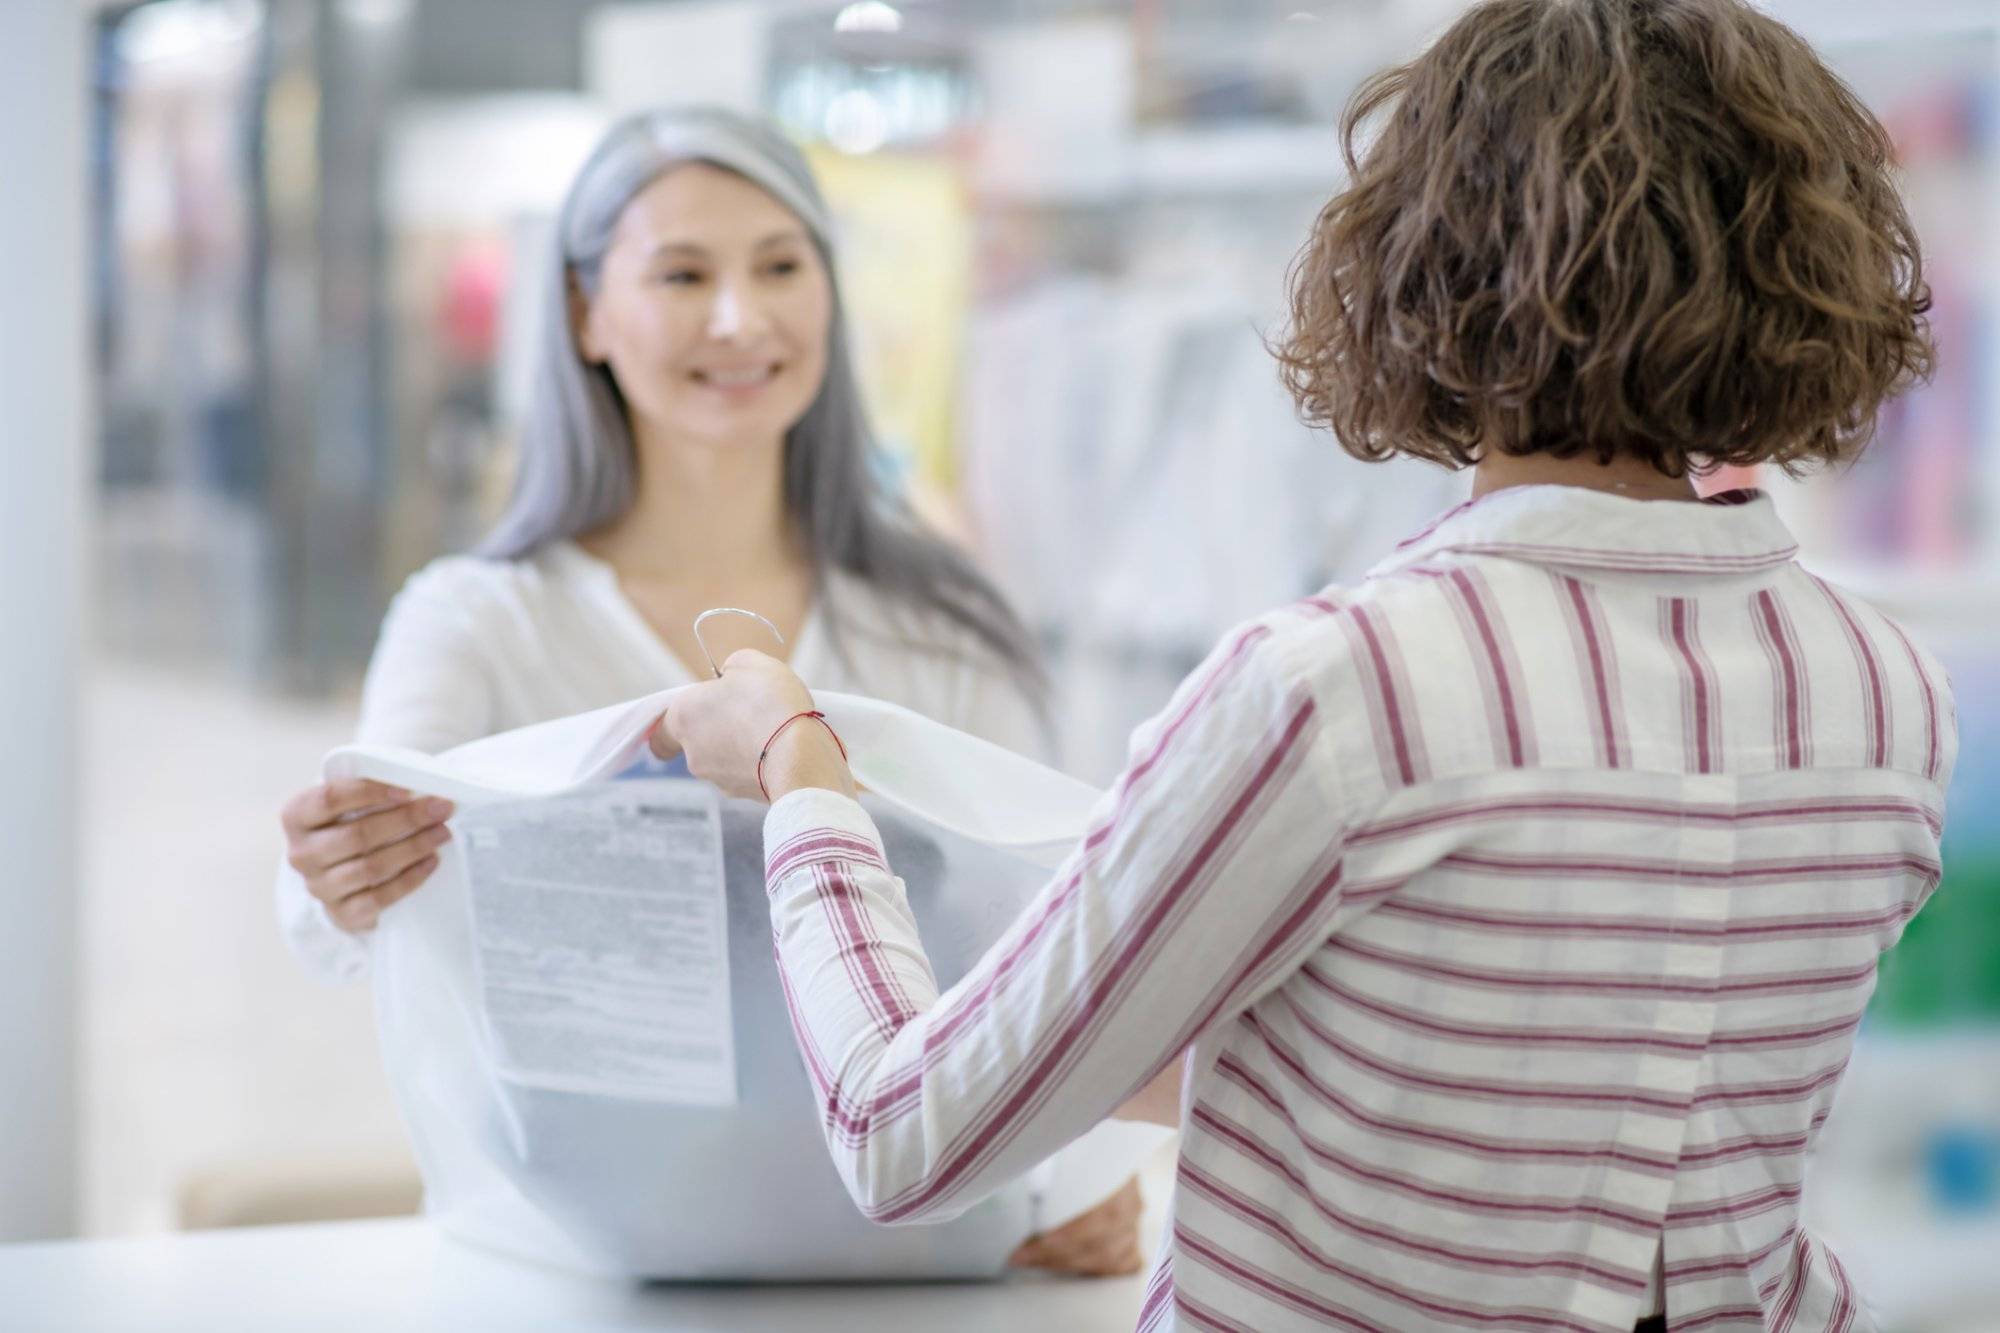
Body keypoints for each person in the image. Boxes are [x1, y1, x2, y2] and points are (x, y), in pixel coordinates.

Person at [654, 3, 1953, 1329]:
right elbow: (1547, 1090)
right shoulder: (1886, 696)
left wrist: (800, 773)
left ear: (1424, 259)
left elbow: (905, 1133)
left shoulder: (1343, 690)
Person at [275, 106, 1140, 1275]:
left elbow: (1046, 929)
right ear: (584, 312)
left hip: (914, 1259)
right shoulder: (476, 618)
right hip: (568, 1271)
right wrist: (338, 874)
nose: (740, 319)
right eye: (681, 273)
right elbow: (339, 924)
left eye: (780, 266)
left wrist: (1077, 1172)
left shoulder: (939, 618)